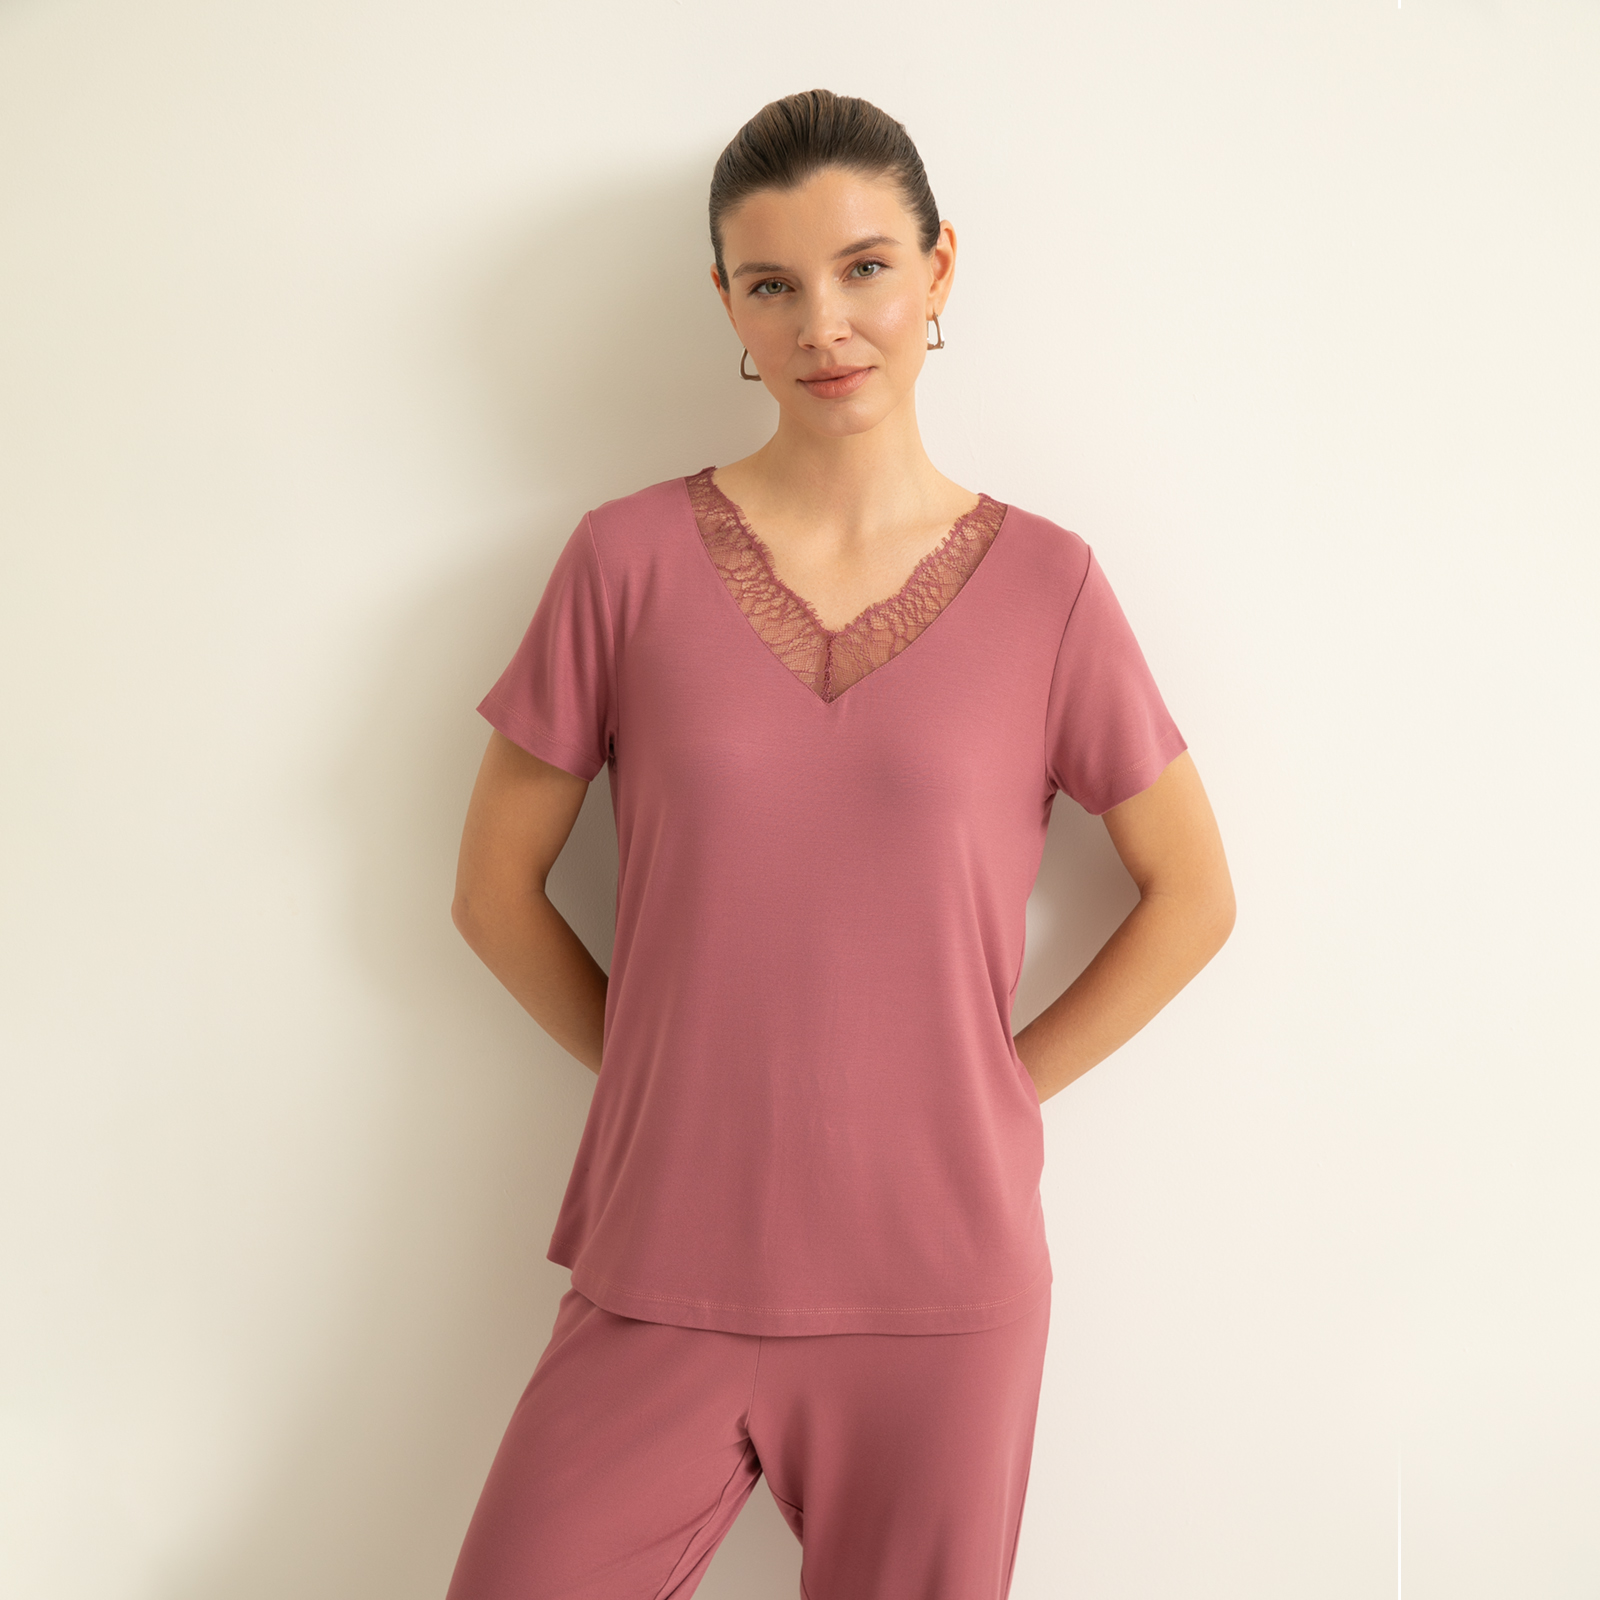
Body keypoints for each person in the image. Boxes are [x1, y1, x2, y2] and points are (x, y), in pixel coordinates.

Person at [444, 88, 1234, 1600]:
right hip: (662, 1260)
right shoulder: (623, 562)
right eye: (774, 284)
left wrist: (998, 1086)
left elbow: (1193, 894)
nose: (826, 325)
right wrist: (670, 1067)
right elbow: (493, 892)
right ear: (728, 306)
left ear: (939, 270)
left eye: (866, 268)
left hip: (942, 1285)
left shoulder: (1052, 588)